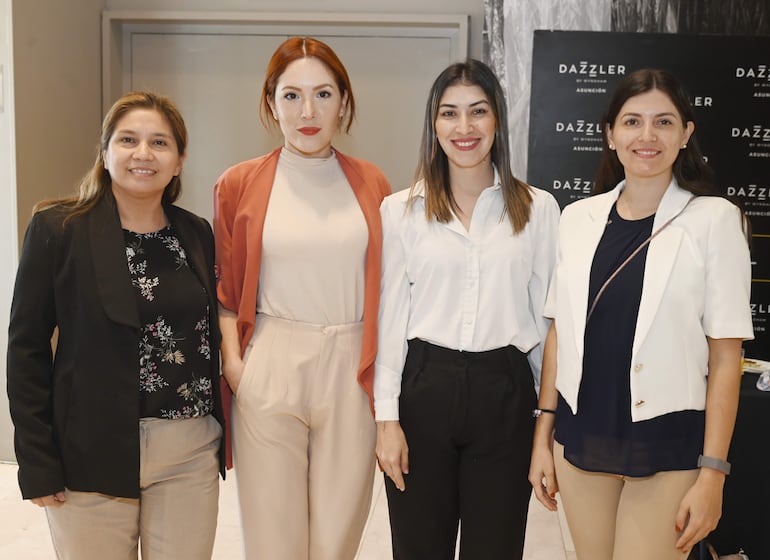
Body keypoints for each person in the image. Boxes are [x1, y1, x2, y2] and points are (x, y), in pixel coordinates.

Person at [529, 68, 753, 560]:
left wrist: (713, 472)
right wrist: (542, 436)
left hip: (668, 443)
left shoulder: (715, 221)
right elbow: (559, 335)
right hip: (581, 438)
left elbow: (726, 356)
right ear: (610, 135)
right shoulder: (577, 219)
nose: (646, 136)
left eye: (664, 122)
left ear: (686, 133)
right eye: (632, 122)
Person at [6, 91, 225, 560]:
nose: (143, 154)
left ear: (179, 161)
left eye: (159, 143)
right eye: (128, 140)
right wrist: (37, 461)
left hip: (188, 449)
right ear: (105, 154)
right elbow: (26, 350)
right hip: (89, 448)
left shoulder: (197, 232)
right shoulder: (58, 229)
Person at [213, 37, 391, 560]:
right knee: (273, 539)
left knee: (338, 535)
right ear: (271, 103)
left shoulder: (373, 183)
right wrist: (236, 365)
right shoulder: (238, 183)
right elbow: (225, 288)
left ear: (344, 102)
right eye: (291, 96)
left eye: (323, 94)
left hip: (352, 365)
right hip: (270, 356)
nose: (307, 112)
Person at [374, 59, 560, 560]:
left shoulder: (538, 208)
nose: (464, 127)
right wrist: (386, 420)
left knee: (496, 548)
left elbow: (548, 324)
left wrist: (545, 426)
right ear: (433, 126)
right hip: (423, 388)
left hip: (504, 391)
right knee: (418, 547)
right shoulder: (401, 210)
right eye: (449, 113)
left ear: (497, 120)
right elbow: (391, 318)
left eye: (477, 112)